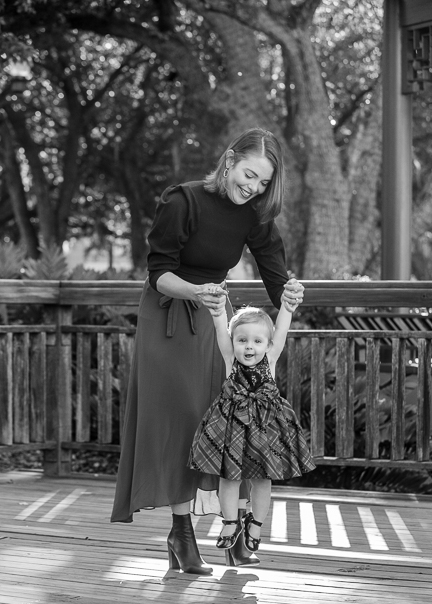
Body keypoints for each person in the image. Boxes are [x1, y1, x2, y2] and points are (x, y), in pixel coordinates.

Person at [110, 127, 304, 575]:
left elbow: (275, 272)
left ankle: (234, 532)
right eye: (249, 175)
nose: (253, 187)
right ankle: (182, 530)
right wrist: (197, 292)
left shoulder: (253, 213)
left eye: (262, 182)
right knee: (181, 420)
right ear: (230, 159)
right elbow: (158, 272)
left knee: (223, 424)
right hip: (168, 315)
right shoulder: (183, 200)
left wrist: (289, 294)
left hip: (216, 318)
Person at [188, 291, 315, 564]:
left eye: (257, 341)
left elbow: (281, 328)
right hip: (231, 427)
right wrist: (219, 308)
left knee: (261, 479)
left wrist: (287, 306)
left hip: (264, 428)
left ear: (268, 345)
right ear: (233, 342)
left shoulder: (270, 359)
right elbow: (221, 325)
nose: (249, 347)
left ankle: (255, 524)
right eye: (242, 340)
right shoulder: (229, 360)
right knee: (229, 477)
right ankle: (231, 521)